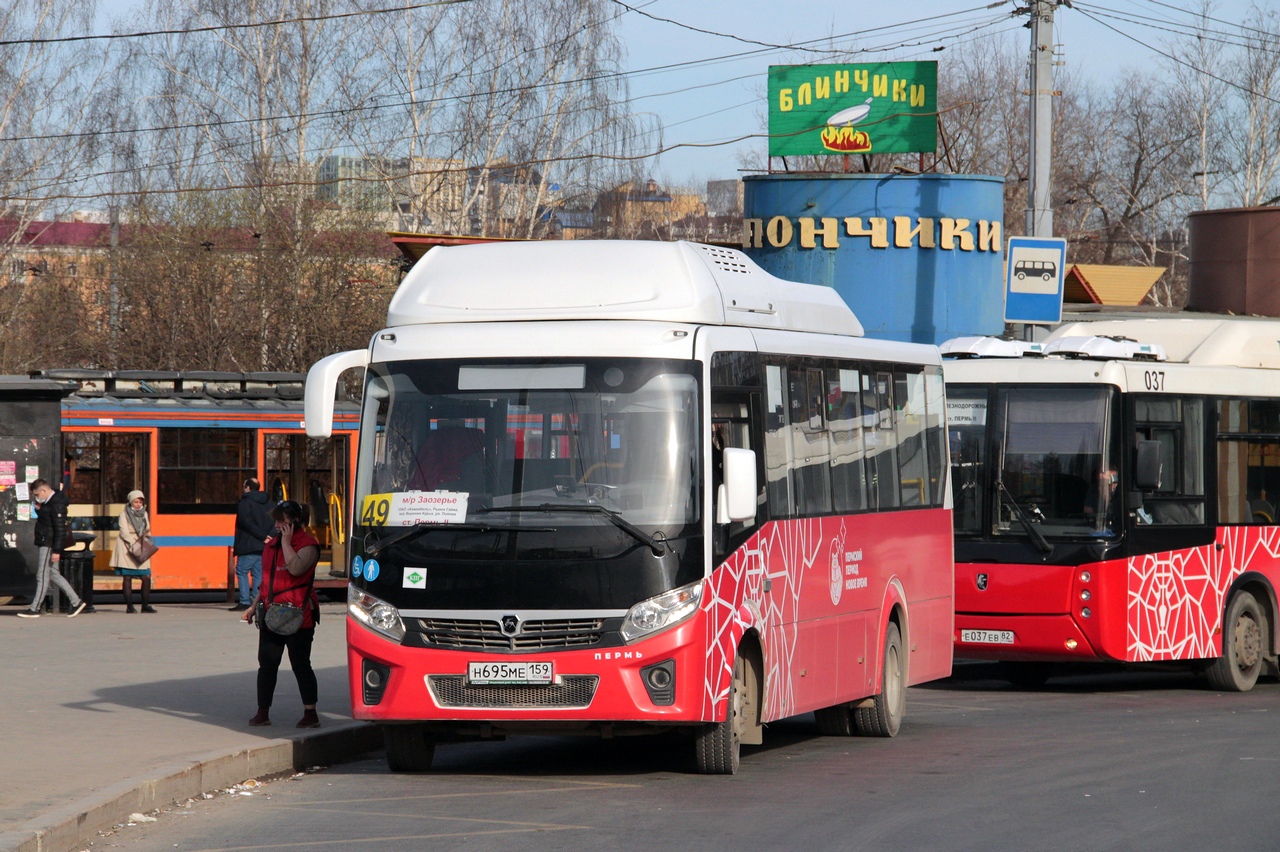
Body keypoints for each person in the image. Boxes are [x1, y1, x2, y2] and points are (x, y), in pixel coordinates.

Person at [241, 499, 322, 728]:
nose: (277, 526)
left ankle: (310, 713)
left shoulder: (309, 545)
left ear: (295, 522)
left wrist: (286, 542)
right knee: (267, 664)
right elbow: (266, 583)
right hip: (271, 614)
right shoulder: (270, 546)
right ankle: (262, 711)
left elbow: (296, 569)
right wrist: (252, 606)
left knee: (300, 664)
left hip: (299, 616)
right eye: (276, 521)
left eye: (281, 521)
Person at [17, 479, 87, 618]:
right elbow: (49, 519)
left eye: (37, 494)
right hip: (47, 541)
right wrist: (40, 509)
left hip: (49, 543)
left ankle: (35, 608)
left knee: (42, 575)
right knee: (54, 574)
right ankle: (76, 602)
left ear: (44, 491)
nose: (37, 497)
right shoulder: (51, 502)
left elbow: (59, 529)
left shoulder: (56, 504)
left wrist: (57, 551)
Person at [230, 478, 274, 612]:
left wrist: (261, 536)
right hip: (264, 545)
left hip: (248, 544)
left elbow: (246, 522)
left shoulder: (245, 502)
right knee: (258, 573)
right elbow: (275, 521)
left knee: (242, 571)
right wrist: (268, 537)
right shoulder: (269, 503)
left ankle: (244, 601)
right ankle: (257, 600)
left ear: (248, 487)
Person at [110, 490, 155, 613]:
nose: (138, 504)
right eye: (136, 501)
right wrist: (134, 544)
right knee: (127, 576)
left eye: (140, 502)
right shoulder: (124, 514)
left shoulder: (144, 513)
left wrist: (146, 538)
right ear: (131, 501)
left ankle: (145, 605)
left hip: (141, 544)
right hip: (127, 546)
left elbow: (147, 528)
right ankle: (130, 606)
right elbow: (124, 532)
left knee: (146, 576)